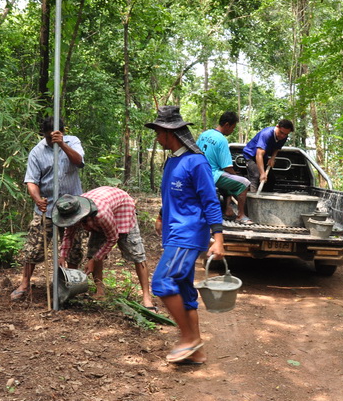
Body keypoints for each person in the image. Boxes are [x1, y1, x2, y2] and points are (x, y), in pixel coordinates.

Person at [145, 106, 225, 365]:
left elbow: (211, 201)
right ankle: (197, 351)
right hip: (174, 233)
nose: (157, 137)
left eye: (159, 132)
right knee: (183, 289)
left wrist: (218, 239)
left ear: (171, 133)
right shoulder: (172, 162)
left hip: (187, 234)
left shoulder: (196, 162)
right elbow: (172, 195)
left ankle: (189, 338)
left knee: (162, 282)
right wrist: (161, 215)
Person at [12, 117, 86, 301]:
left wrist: (62, 145)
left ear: (62, 132)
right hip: (47, 208)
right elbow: (31, 181)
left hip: (72, 209)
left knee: (74, 248)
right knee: (34, 247)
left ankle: (72, 284)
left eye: (53, 136)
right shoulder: (37, 151)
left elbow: (79, 162)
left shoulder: (73, 142)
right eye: (47, 137)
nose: (50, 141)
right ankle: (25, 284)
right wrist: (38, 200)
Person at [52, 187, 154, 309]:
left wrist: (94, 260)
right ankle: (100, 291)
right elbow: (69, 234)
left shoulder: (101, 215)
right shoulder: (71, 210)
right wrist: (62, 256)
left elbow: (112, 238)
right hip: (100, 214)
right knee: (94, 251)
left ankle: (146, 296)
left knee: (136, 253)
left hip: (122, 209)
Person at [196, 111, 252, 224]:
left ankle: (228, 210)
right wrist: (236, 176)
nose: (232, 131)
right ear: (227, 125)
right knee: (244, 183)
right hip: (211, 174)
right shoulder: (222, 140)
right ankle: (241, 215)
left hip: (198, 172)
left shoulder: (204, 134)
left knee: (229, 179)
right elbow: (227, 167)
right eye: (233, 127)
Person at [242, 119, 294, 193]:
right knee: (256, 176)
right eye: (281, 132)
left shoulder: (284, 137)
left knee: (271, 178)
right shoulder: (266, 134)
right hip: (250, 155)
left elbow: (277, 147)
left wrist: (272, 158)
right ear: (277, 127)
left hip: (263, 156)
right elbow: (259, 154)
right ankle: (252, 196)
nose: (282, 136)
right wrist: (262, 173)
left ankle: (266, 197)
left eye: (286, 134)